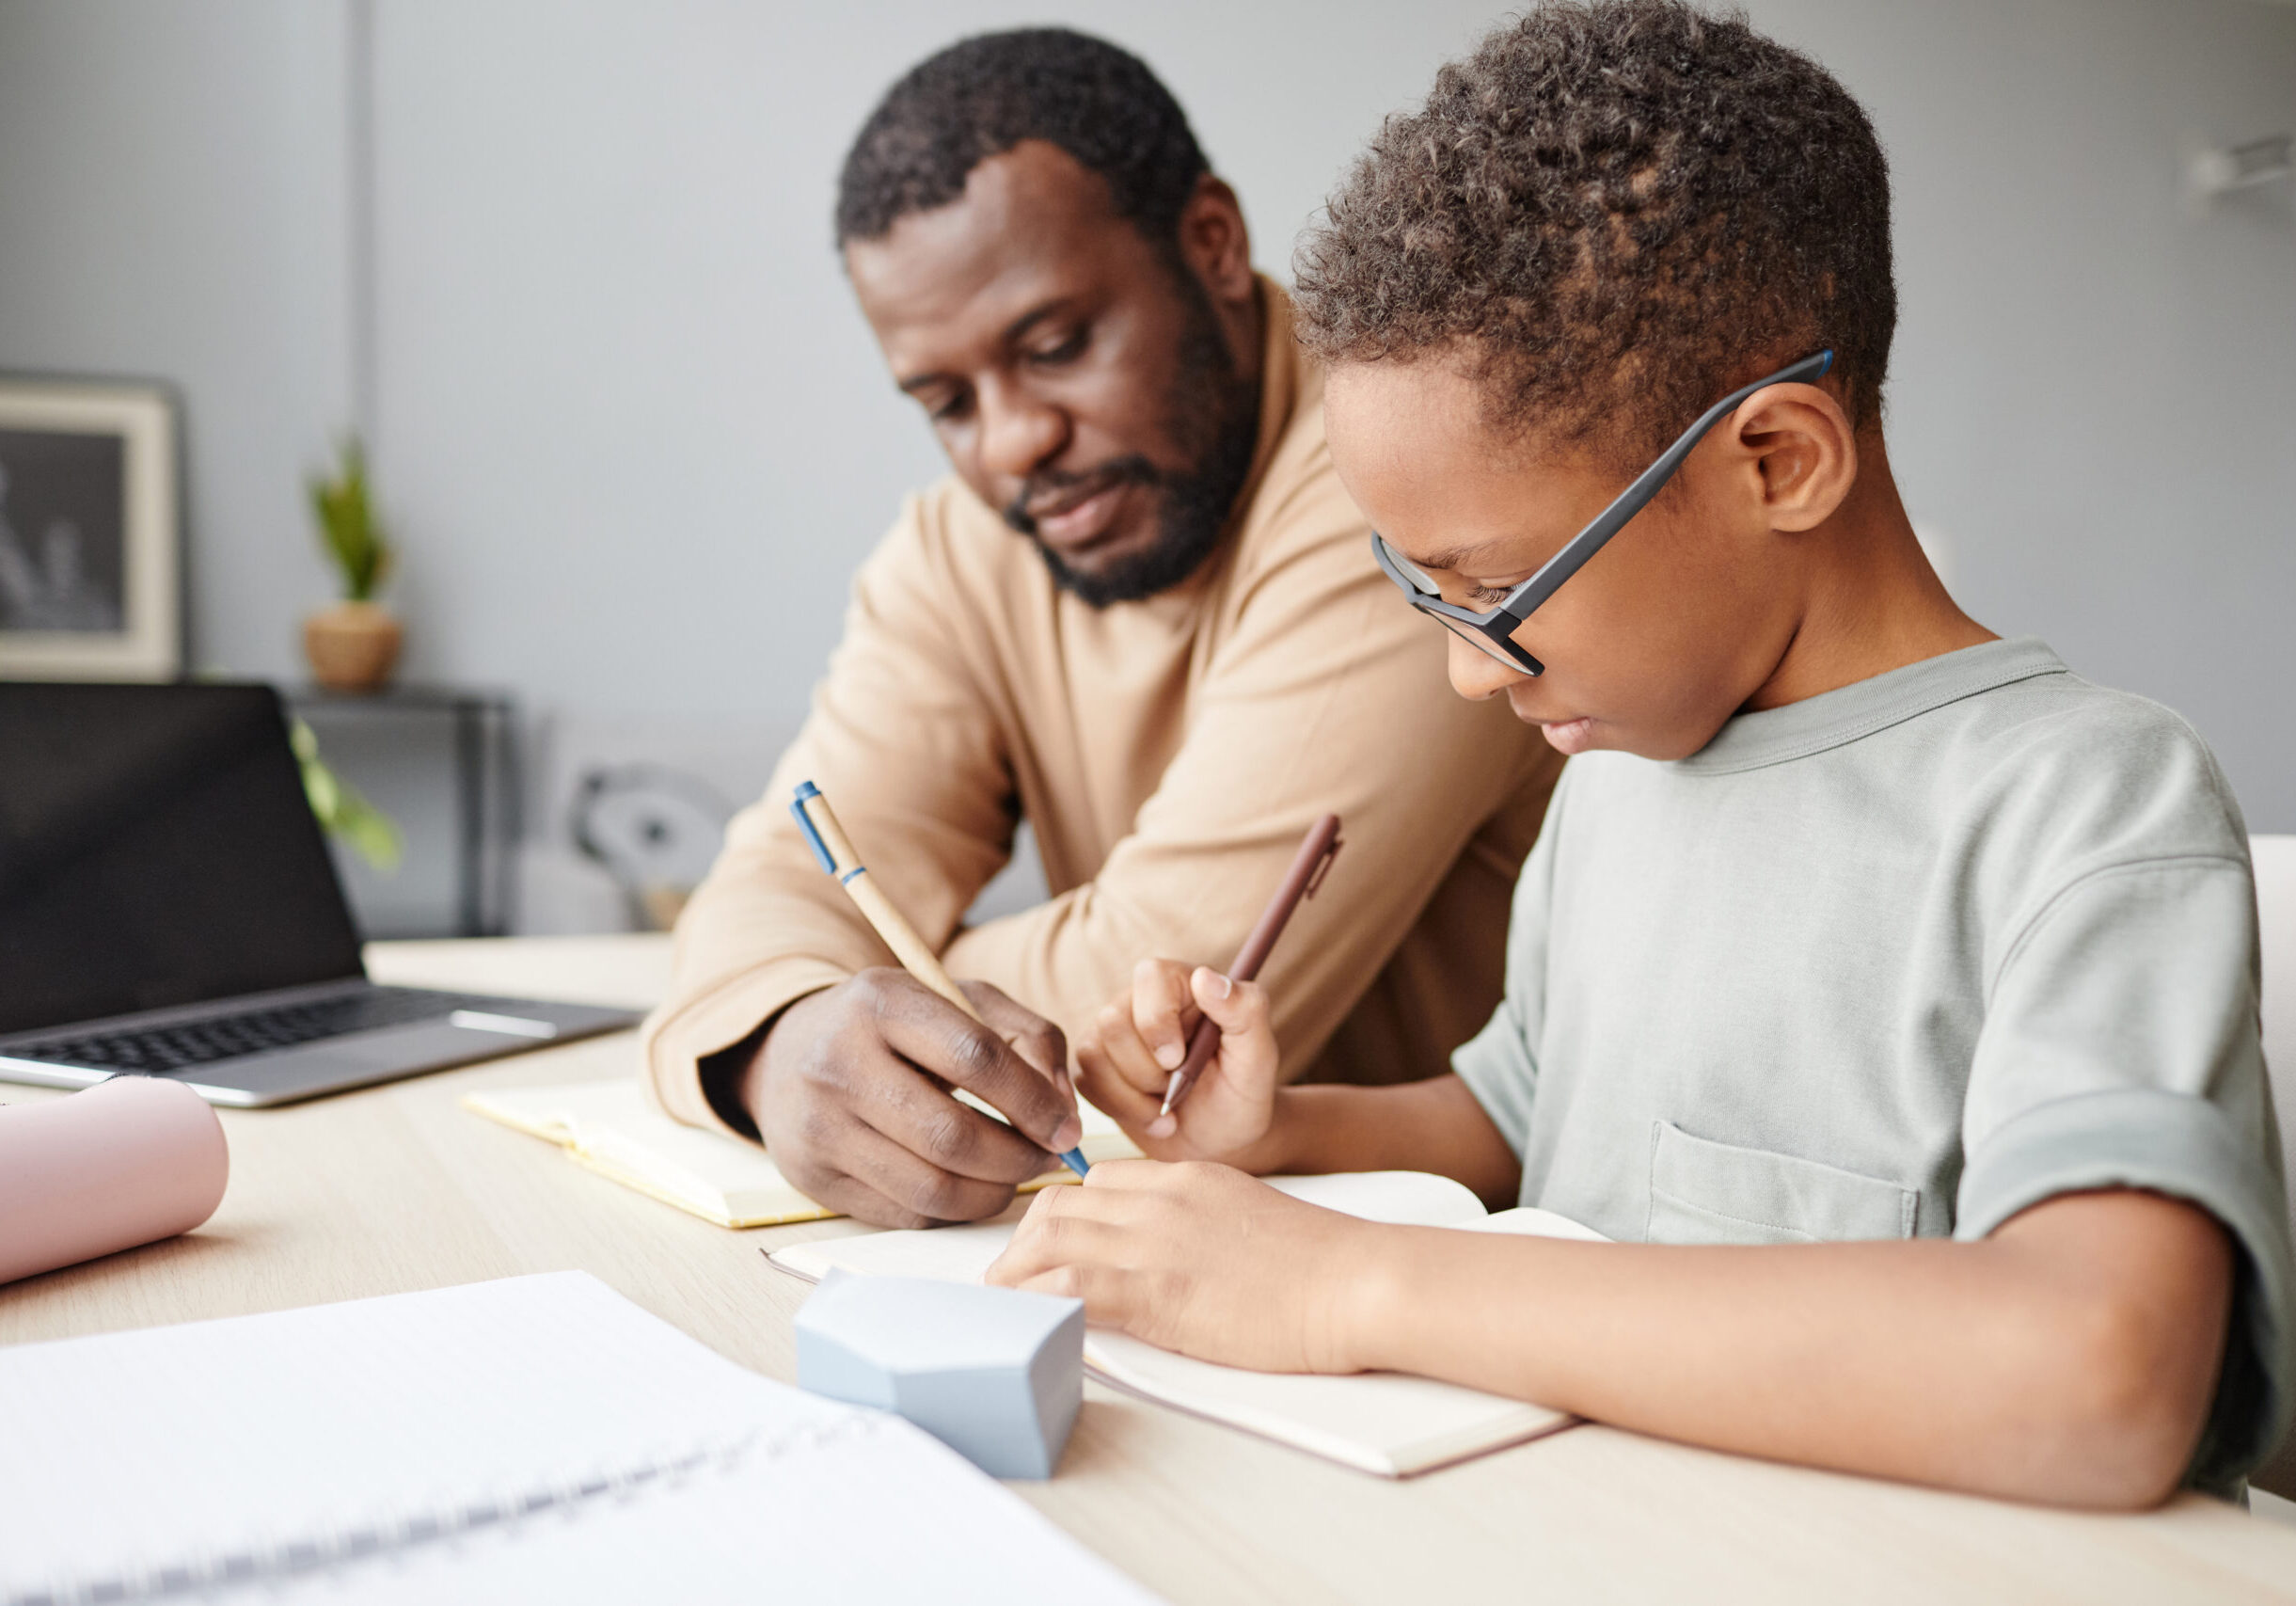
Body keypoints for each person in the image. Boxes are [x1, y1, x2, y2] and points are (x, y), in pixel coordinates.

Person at [988, 0, 2292, 1508]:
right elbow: (1523, 1123)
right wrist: (1280, 1130)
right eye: (1422, 589)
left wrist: (1354, 1282)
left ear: (1776, 461)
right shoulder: (1611, 775)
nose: (1465, 670)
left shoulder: (2084, 805)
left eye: (1497, 590)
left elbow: (2103, 1368)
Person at [639, 29, 1561, 1228]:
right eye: (947, 403)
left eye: (1056, 347)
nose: (1011, 443)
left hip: (1469, 1257)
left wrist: (845, 978)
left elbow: (1151, 994)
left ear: (1210, 244)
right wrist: (783, 1038)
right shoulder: (964, 547)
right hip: (1171, 1252)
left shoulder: (1402, 493)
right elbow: (771, 885)